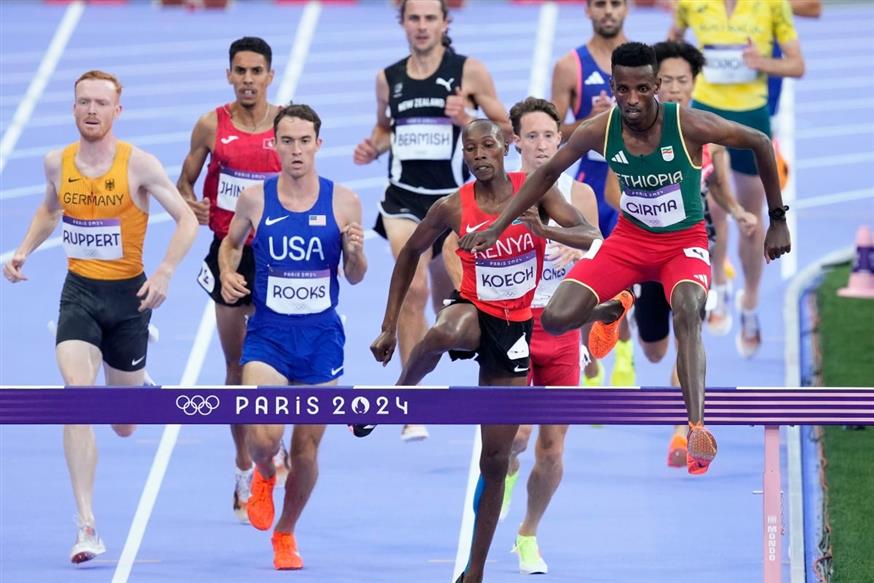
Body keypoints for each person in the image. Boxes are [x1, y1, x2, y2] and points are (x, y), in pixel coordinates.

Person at [459, 42, 792, 476]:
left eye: (641, 89)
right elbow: (544, 174)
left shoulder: (687, 124)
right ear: (613, 88)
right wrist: (498, 225)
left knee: (688, 311)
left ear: (655, 87)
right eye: (622, 90)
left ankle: (695, 427)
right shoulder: (600, 129)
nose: (632, 101)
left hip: (681, 244)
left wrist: (777, 219)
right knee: (557, 318)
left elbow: (761, 141)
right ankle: (617, 306)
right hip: (630, 242)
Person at [370, 119, 601, 583]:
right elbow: (410, 254)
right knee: (442, 329)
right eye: (470, 148)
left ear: (503, 149)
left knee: (495, 461)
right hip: (476, 312)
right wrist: (389, 326)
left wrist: (544, 230)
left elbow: (590, 234)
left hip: (516, 329)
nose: (479, 155)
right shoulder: (453, 206)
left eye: (487, 145)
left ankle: (474, 571)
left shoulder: (535, 190)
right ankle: (396, 397)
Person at [2, 70, 197, 563]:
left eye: (101, 103)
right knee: (77, 397)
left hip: (129, 300)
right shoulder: (56, 162)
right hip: (80, 296)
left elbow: (188, 219)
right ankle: (86, 524)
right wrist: (23, 248)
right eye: (83, 102)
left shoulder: (140, 165)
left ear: (117, 111)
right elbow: (51, 210)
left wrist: (166, 272)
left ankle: (138, 377)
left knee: (125, 424)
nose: (91, 110)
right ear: (73, 109)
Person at [353, 0, 511, 442]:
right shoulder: (388, 78)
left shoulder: (469, 73)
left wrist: (470, 120)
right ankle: (409, 404)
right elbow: (386, 128)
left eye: (429, 18)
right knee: (414, 287)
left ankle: (485, 373)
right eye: (413, 18)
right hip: (402, 200)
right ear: (402, 23)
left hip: (454, 205)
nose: (421, 26)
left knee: (452, 306)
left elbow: (507, 128)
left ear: (445, 23)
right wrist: (374, 145)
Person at [219, 104, 367, 570]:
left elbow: (356, 276)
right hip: (268, 335)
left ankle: (285, 533)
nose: (297, 149)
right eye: (288, 141)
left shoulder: (343, 201)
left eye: (305, 141)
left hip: (322, 337)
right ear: (275, 145)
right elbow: (230, 242)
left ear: (318, 144)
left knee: (306, 450)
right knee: (264, 438)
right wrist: (226, 272)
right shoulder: (254, 199)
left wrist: (355, 254)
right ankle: (265, 471)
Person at [177, 36, 287, 522]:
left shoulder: (287, 128)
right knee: (236, 366)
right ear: (229, 76)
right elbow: (183, 181)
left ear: (269, 76)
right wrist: (191, 203)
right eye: (239, 71)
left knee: (278, 362)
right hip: (229, 254)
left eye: (255, 71)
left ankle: (273, 446)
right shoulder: (210, 125)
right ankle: (244, 464)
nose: (247, 79)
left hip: (280, 258)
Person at [636, 40, 758, 467]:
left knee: (688, 334)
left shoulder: (709, 132)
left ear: (694, 84)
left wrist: (741, 212)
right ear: (652, 84)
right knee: (653, 348)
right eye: (664, 80)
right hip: (647, 247)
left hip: (692, 246)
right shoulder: (639, 130)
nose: (672, 88)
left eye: (681, 81)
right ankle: (622, 301)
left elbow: (721, 188)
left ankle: (683, 429)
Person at [492, 98, 598, 575]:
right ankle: (509, 469)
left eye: (548, 137)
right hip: (513, 327)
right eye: (530, 136)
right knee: (514, 438)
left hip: (561, 331)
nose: (539, 145)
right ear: (515, 142)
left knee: (552, 449)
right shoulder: (498, 195)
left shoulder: (581, 196)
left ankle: (528, 532)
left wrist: (581, 260)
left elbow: (601, 261)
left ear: (562, 140)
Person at [670, 0, 804, 357]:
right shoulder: (689, 3)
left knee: (750, 217)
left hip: (751, 119)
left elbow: (797, 65)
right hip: (705, 112)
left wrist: (763, 63)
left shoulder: (773, 5)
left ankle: (750, 304)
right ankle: (720, 284)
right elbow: (670, 47)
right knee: (711, 209)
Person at [550, 0, 635, 387]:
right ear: (588, 10)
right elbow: (550, 132)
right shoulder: (570, 66)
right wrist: (592, 122)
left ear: (626, 9)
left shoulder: (640, 63)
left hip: (632, 182)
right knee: (587, 272)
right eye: (600, 4)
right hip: (590, 185)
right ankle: (589, 357)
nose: (608, 12)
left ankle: (625, 358)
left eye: (615, 4)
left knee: (626, 277)